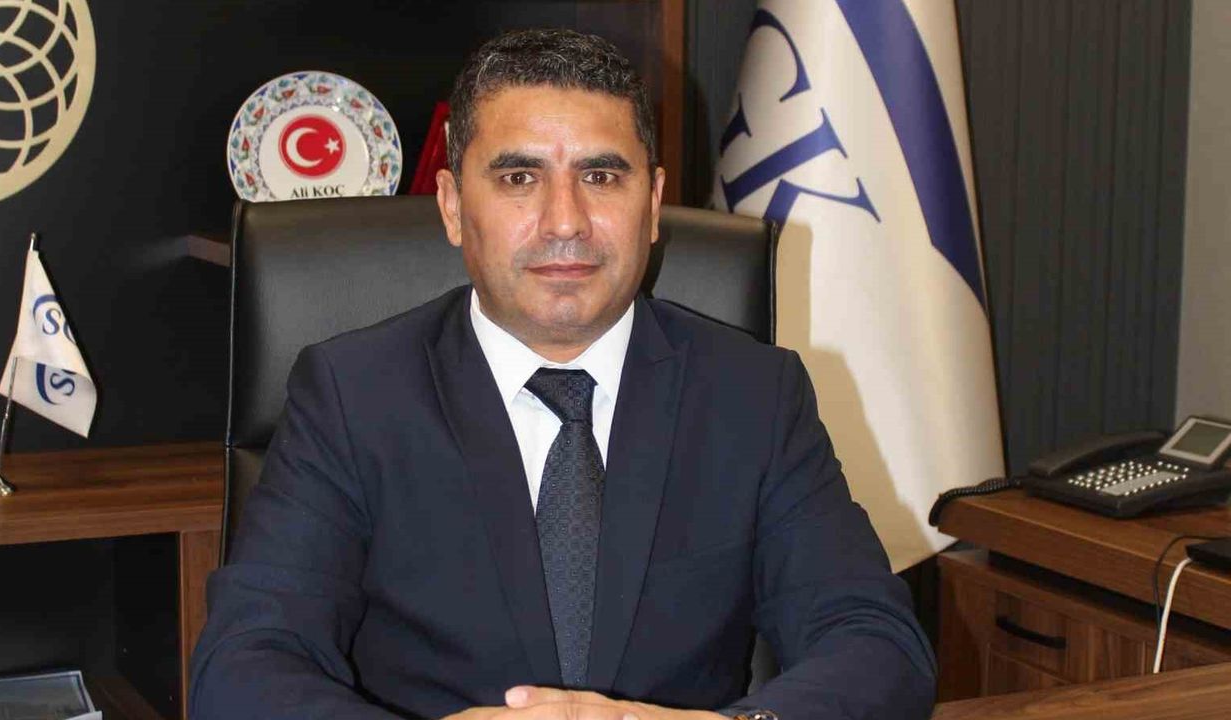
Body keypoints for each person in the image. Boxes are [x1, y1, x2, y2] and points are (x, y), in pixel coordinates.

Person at [190, 28, 936, 720]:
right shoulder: (352, 394)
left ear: (652, 204)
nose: (565, 221)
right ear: (451, 206)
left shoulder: (754, 395)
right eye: (519, 177)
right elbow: (244, 663)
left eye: (602, 176)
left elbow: (876, 644)